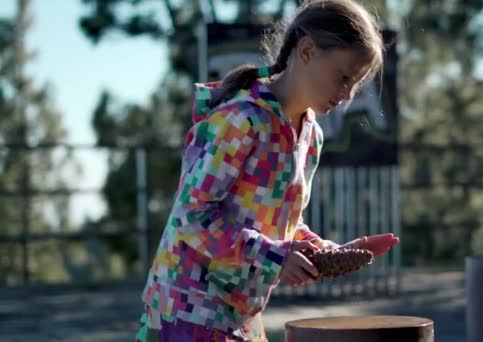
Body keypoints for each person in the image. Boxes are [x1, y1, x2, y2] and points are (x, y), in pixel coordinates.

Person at [136, 0, 399, 341]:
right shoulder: (240, 120)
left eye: (355, 85)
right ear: (307, 51)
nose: (347, 95)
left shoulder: (311, 134)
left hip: (240, 315)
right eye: (343, 77)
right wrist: (272, 255)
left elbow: (283, 222)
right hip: (187, 311)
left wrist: (327, 253)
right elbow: (192, 216)